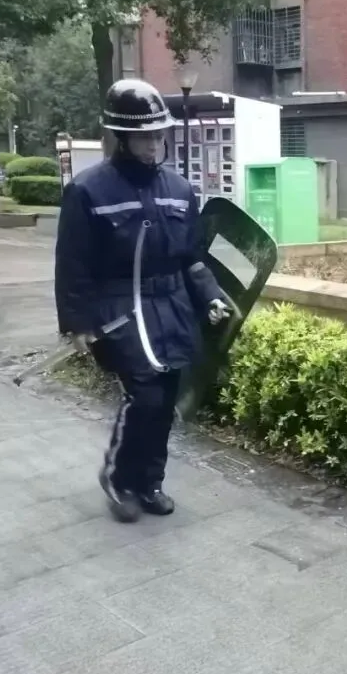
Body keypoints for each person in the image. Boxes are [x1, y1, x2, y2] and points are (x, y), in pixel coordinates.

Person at [55, 78, 231, 524]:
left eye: (158, 135)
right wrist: (78, 323)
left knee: (167, 398)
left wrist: (210, 296)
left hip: (172, 304)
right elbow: (73, 263)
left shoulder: (180, 189)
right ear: (121, 137)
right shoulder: (88, 191)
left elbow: (192, 256)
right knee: (145, 395)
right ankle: (118, 478)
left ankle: (150, 482)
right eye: (143, 137)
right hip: (121, 307)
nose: (154, 145)